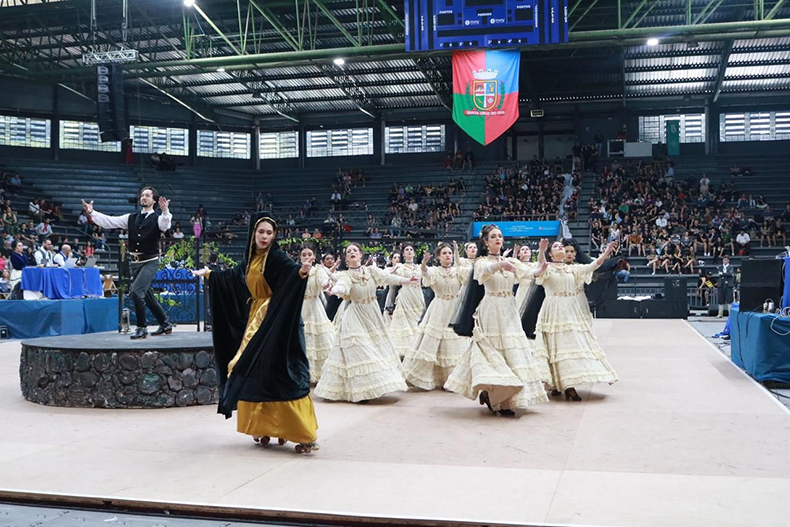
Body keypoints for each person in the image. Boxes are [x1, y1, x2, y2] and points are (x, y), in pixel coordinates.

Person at [192, 215, 318, 453]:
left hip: (277, 321)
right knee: (253, 370)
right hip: (256, 320)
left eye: (269, 233)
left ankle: (303, 433)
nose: (264, 237)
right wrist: (211, 274)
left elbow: (292, 273)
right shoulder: (251, 260)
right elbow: (234, 277)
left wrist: (302, 272)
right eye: (261, 232)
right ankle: (264, 427)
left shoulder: (277, 258)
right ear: (253, 233)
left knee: (282, 372)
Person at [445, 225, 550, 416]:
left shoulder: (510, 261)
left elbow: (530, 273)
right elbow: (484, 271)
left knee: (511, 351)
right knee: (493, 351)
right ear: (486, 242)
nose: (498, 239)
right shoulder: (480, 262)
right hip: (491, 309)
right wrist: (499, 265)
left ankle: (502, 397)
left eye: (500, 236)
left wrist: (542, 255)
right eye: (493, 236)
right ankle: (494, 395)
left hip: (509, 309)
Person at [315, 243, 414, 403]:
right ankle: (361, 391)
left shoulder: (371, 271)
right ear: (346, 258)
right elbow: (342, 286)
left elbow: (387, 277)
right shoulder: (346, 275)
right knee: (360, 347)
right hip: (355, 314)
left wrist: (406, 280)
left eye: (355, 250)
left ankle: (374, 386)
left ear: (361, 255)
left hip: (372, 314)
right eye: (349, 252)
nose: (352, 253)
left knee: (375, 347)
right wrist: (334, 290)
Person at [82, 187, 174, 339]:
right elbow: (110, 222)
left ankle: (141, 328)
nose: (143, 197)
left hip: (150, 261)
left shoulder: (158, 217)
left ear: (154, 200)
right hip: (135, 262)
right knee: (147, 294)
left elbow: (165, 225)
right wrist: (92, 213)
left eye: (147, 195)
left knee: (136, 292)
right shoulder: (131, 217)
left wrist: (165, 211)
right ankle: (165, 324)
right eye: (142, 195)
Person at [534, 239, 619, 401]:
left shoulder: (573, 269)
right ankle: (557, 383)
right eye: (557, 247)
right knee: (553, 346)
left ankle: (568, 384)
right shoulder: (547, 267)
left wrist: (607, 252)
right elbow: (539, 268)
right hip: (553, 310)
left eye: (562, 246)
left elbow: (593, 266)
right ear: (551, 253)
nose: (561, 248)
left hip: (571, 310)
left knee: (569, 344)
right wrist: (541, 250)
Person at [401, 243, 469, 390]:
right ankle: (431, 377)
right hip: (439, 307)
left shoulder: (459, 271)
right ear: (438, 257)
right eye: (444, 253)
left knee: (455, 341)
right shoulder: (435, 271)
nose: (448, 256)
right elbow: (425, 272)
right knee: (434, 341)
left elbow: (473, 273)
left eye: (449, 253)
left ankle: (454, 379)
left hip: (455, 307)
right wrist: (424, 263)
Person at [299, 244, 336, 384]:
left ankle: (321, 373)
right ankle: (303, 373)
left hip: (314, 307)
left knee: (319, 339)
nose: (307, 257)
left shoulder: (318, 271)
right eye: (304, 255)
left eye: (309, 254)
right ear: (300, 257)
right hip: (300, 307)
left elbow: (323, 282)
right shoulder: (297, 271)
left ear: (314, 257)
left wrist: (326, 285)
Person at [388, 244, 425, 359]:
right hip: (405, 296)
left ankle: (417, 346)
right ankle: (406, 349)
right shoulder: (400, 267)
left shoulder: (419, 267)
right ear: (403, 254)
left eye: (411, 250)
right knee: (404, 321)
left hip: (417, 295)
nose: (409, 251)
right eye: (407, 250)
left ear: (414, 253)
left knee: (417, 320)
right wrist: (393, 270)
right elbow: (391, 277)